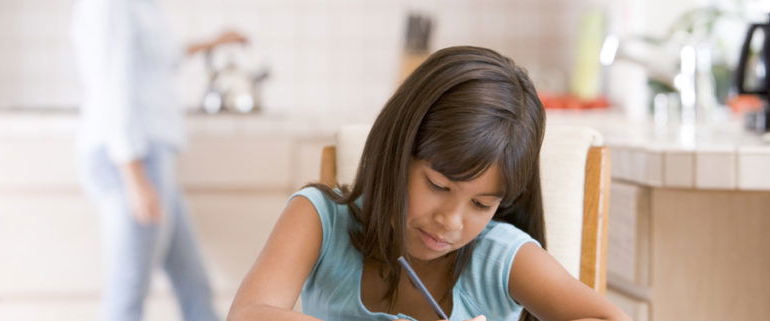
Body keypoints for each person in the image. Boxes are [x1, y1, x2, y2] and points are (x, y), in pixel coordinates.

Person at [227, 46, 630, 321]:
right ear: (396, 154)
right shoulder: (320, 219)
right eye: (438, 185)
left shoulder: (500, 257)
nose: (451, 221)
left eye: (481, 204)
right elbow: (248, 314)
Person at [70, 0, 245, 320]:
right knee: (127, 295)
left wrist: (213, 41)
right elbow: (111, 85)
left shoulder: (143, 6)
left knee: (194, 287)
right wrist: (133, 174)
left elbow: (163, 56)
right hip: (133, 158)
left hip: (151, 158)